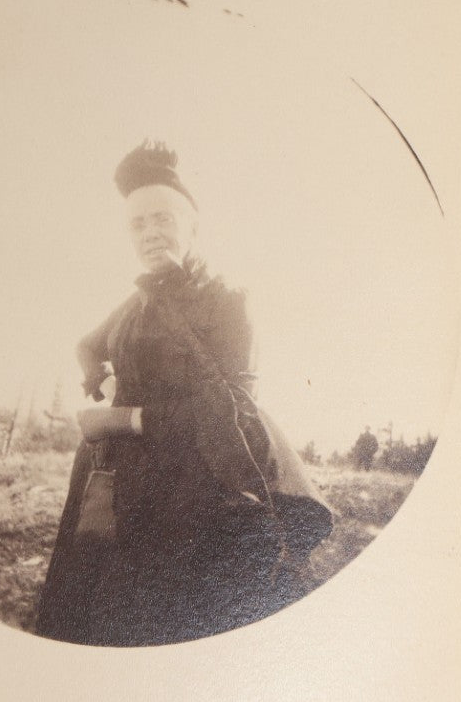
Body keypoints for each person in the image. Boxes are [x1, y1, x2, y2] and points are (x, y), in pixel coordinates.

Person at [35, 140, 332, 646]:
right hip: (116, 479)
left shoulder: (227, 299)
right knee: (97, 610)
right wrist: (103, 383)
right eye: (137, 224)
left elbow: (233, 409)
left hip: (197, 478)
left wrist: (123, 419)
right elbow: (86, 345)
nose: (150, 234)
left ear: (193, 225)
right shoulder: (133, 303)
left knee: (184, 620)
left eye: (163, 219)